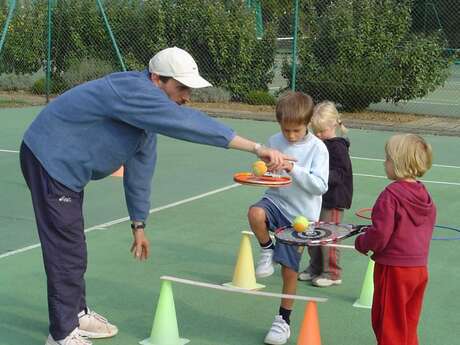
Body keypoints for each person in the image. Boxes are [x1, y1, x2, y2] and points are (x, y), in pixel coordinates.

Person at [19, 47, 294, 345]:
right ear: (156, 79)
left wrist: (139, 224)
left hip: (67, 168)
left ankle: (76, 313)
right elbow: (189, 123)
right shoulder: (133, 90)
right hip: (49, 159)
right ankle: (61, 333)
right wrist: (256, 148)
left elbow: (140, 173)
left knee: (73, 245)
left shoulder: (145, 122)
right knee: (66, 248)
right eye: (181, 87)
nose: (186, 96)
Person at [247, 91, 329, 345]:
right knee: (255, 212)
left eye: (296, 130)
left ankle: (283, 320)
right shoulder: (273, 141)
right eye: (286, 131)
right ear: (278, 124)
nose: (291, 136)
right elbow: (272, 178)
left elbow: (320, 185)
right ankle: (266, 249)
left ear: (308, 123)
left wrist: (294, 168)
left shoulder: (318, 148)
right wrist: (266, 173)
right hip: (276, 202)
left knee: (289, 272)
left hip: (302, 217)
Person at [354, 134, 436, 345]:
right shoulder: (425, 197)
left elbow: (380, 234)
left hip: (394, 269)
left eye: (388, 159)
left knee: (388, 323)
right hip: (419, 269)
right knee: (408, 322)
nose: (385, 163)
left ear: (399, 164)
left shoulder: (390, 195)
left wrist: (362, 243)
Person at [298, 101, 353, 287]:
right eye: (316, 131)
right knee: (312, 235)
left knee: (328, 237)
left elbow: (339, 174)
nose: (319, 135)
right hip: (317, 198)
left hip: (334, 200)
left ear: (333, 126)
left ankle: (332, 273)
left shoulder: (338, 147)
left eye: (322, 131)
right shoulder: (317, 144)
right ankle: (315, 267)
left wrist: (319, 175)